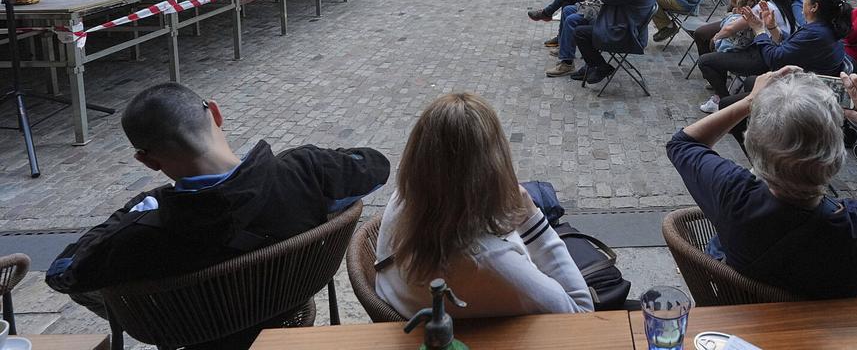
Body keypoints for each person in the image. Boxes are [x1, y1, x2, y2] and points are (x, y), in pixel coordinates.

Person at [47, 83, 389, 332]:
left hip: (197, 327)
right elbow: (376, 166)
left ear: (147, 161)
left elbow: (64, 272)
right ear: (216, 113)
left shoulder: (145, 232)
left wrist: (137, 208)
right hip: (288, 301)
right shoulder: (305, 170)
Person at [670, 68, 857, 299]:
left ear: (753, 149)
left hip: (751, 309)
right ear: (836, 158)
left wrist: (750, 101)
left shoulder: (731, 196)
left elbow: (683, 143)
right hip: (833, 325)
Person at [375, 93, 590, 318]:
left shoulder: (407, 197)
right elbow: (581, 312)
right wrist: (531, 218)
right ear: (493, 167)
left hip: (418, 309)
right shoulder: (490, 262)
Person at [697, 0, 798, 112]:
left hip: (762, 56)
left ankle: (723, 102)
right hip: (770, 53)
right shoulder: (783, 6)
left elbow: (731, 28)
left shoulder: (766, 7)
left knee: (706, 61)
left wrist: (716, 38)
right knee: (715, 48)